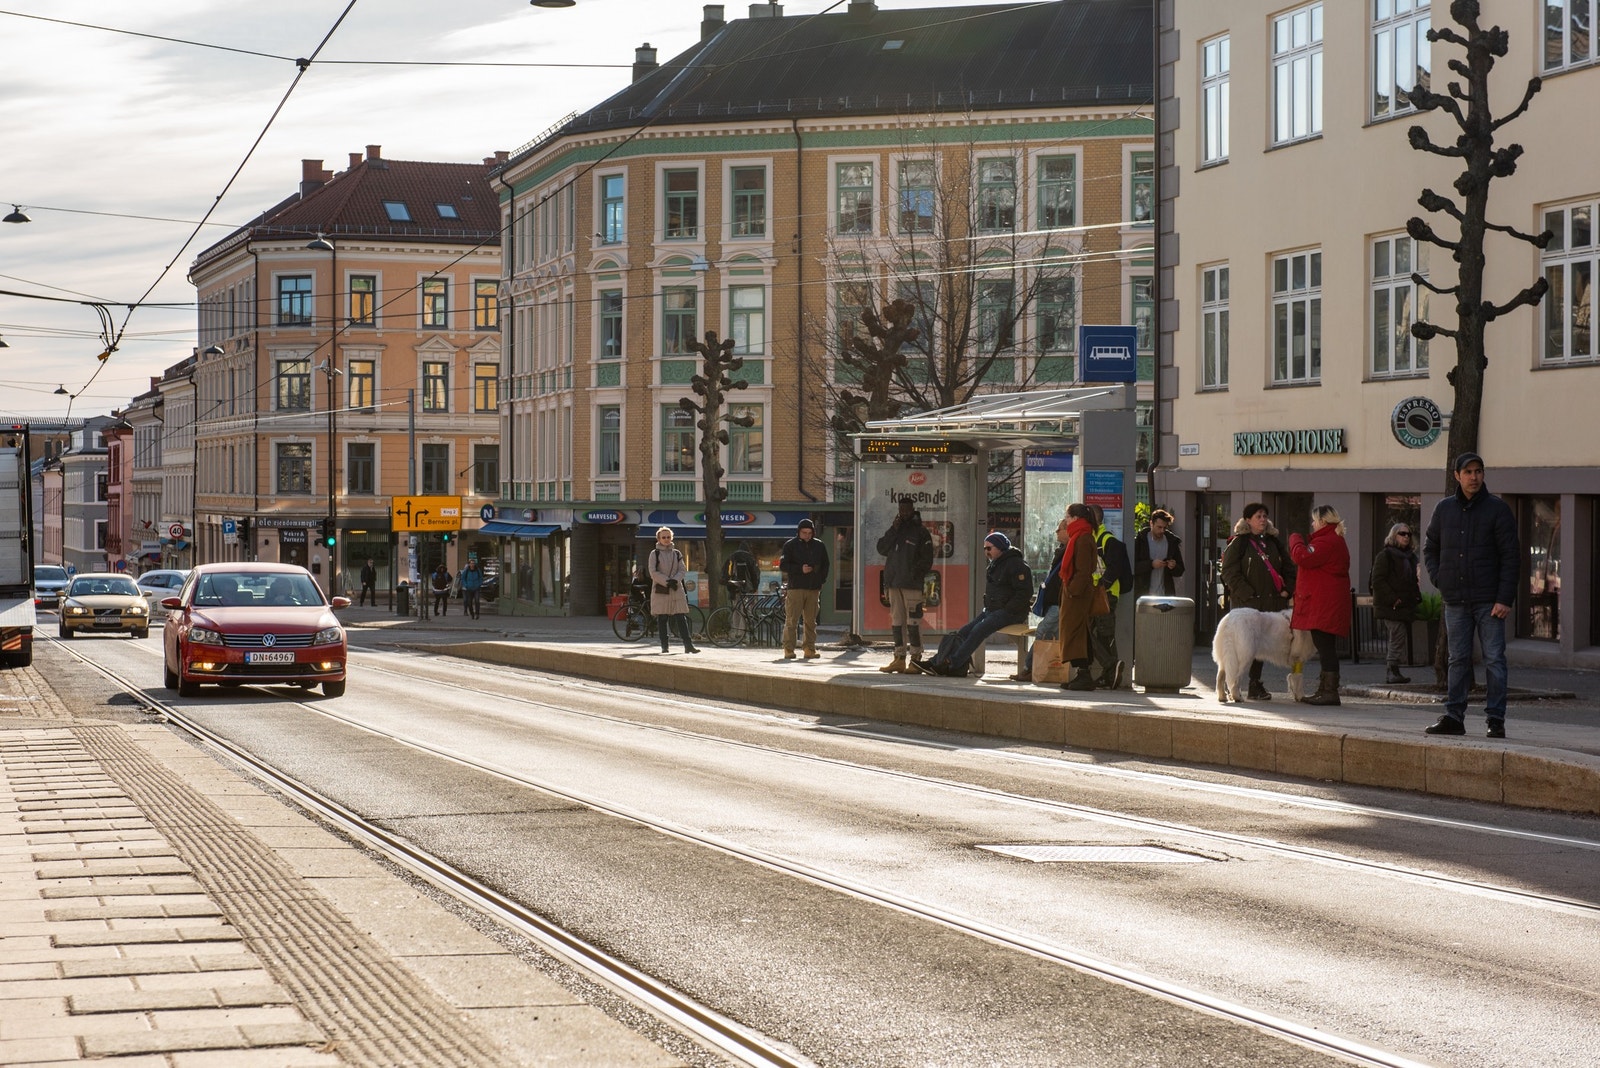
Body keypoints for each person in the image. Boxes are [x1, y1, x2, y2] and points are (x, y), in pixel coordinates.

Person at [1422, 452, 1518, 738]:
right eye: (1468, 472)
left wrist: (1504, 598)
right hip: (1456, 600)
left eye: (1478, 471)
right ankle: (1454, 717)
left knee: (1494, 660)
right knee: (1457, 659)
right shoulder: (1444, 509)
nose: (1474, 477)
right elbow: (1430, 548)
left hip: (1489, 601)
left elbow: (1511, 556)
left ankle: (1495, 720)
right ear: (1457, 476)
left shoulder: (1497, 509)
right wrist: (1441, 580)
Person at [918, 532, 1032, 677]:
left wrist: (1008, 608)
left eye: (989, 548)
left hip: (1010, 613)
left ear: (1000, 547)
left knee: (978, 631)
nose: (986, 552)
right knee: (962, 632)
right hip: (992, 610)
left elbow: (1024, 592)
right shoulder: (995, 564)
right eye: (985, 549)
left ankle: (952, 664)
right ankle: (936, 661)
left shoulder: (1017, 565)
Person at [1220, 503, 1297, 700]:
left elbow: (1289, 569)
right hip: (1247, 605)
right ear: (1248, 520)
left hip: (1271, 605)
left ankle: (1254, 684)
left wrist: (1288, 590)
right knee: (1241, 649)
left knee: (1259, 647)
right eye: (1258, 516)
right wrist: (1247, 594)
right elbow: (1229, 571)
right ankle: (1229, 684)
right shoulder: (1240, 543)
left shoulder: (1274, 542)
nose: (1262, 519)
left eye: (1264, 515)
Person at [1289, 505, 1352, 706]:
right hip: (1328, 604)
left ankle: (1329, 691)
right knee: (1326, 647)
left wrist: (1295, 540)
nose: (1312, 524)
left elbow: (1302, 557)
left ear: (1323, 522)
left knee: (1325, 647)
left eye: (1314, 520)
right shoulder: (1334, 540)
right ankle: (1325, 689)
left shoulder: (1327, 541)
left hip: (1324, 605)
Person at [875, 497, 935, 673]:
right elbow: (881, 548)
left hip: (911, 584)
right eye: (901, 509)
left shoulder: (921, 532)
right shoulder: (896, 529)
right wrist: (893, 529)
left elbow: (927, 559)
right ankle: (899, 658)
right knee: (897, 621)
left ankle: (915, 659)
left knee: (913, 622)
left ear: (913, 509)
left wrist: (913, 574)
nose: (904, 513)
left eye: (907, 509)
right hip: (894, 583)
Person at [1017, 516, 1070, 681]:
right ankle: (1044, 670)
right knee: (1052, 635)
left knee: (1043, 631)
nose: (1056, 531)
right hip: (1054, 601)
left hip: (1059, 602)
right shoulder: (1061, 550)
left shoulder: (1070, 550)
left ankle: (1029, 668)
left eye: (1059, 528)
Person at [1370, 522, 1422, 684]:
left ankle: (1394, 670)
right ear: (1394, 536)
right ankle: (1391, 670)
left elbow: (1412, 581)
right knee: (1397, 635)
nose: (1406, 537)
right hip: (1390, 605)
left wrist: (1416, 596)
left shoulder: (1411, 557)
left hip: (1405, 604)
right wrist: (1393, 598)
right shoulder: (1385, 555)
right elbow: (1377, 580)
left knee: (1399, 637)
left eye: (1408, 534)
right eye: (1402, 533)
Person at [1056, 503, 1101, 691]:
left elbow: (1083, 571)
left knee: (1074, 632)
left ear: (1075, 518)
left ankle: (1083, 673)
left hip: (1078, 594)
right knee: (1078, 632)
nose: (1065, 521)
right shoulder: (1080, 536)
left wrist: (1073, 590)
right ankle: (1083, 673)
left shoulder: (1082, 538)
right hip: (1076, 592)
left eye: (1067, 517)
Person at [1087, 504, 1132, 690]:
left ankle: (1110, 667)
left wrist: (1101, 586)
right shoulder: (1093, 538)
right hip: (1097, 594)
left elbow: (1114, 568)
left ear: (1094, 520)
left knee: (1102, 634)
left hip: (1105, 595)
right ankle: (1110, 672)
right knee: (1099, 635)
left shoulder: (1106, 539)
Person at [778, 518, 829, 660]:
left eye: (809, 532)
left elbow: (826, 565)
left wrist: (821, 580)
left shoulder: (819, 545)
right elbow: (783, 565)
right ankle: (788, 649)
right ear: (798, 532)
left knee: (811, 621)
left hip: (813, 588)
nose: (807, 535)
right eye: (804, 532)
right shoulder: (790, 545)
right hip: (795, 588)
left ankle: (809, 648)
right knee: (792, 620)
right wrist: (800, 569)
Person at [648, 527, 699, 654]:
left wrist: (675, 580)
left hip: (676, 589)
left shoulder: (677, 553)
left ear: (672, 538)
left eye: (668, 537)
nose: (666, 539)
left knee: (681, 617)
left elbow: (682, 569)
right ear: (658, 539)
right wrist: (666, 581)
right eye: (663, 537)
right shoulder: (654, 554)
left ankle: (688, 645)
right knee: (662, 618)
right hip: (661, 589)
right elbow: (653, 572)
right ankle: (664, 646)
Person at [1133, 509, 1186, 597]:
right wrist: (1151, 564)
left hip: (1165, 595)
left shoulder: (1171, 542)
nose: (1162, 531)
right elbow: (1133, 567)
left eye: (1164, 528)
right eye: (1159, 527)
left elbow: (1180, 570)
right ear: (1151, 524)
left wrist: (1173, 566)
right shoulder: (1140, 541)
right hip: (1144, 595)